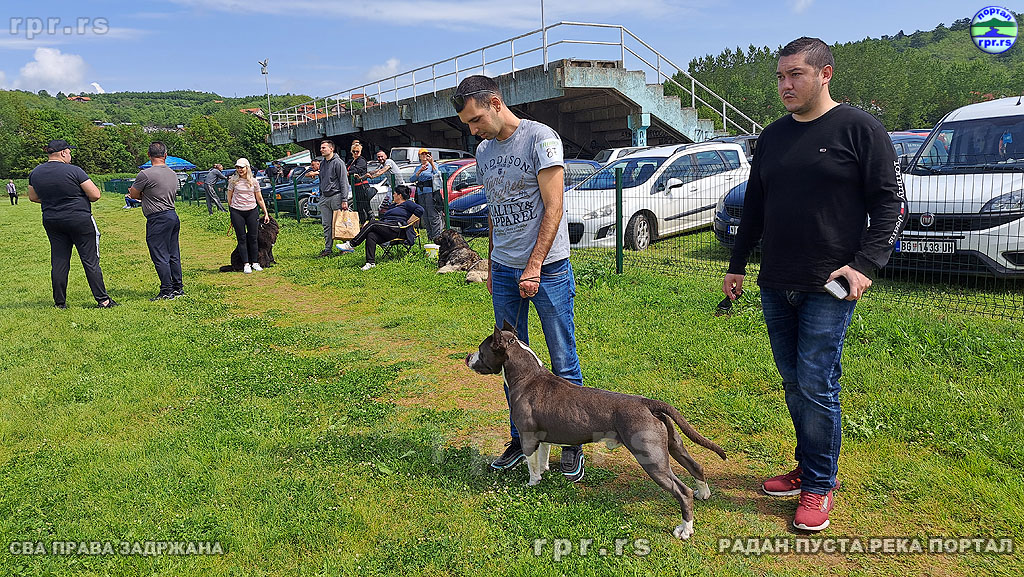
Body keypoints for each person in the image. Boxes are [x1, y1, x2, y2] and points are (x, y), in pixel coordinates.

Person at [723, 37, 906, 532]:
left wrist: (865, 265)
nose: (785, 85)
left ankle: (820, 484)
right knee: (793, 381)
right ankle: (808, 467)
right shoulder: (773, 136)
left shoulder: (860, 128)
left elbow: (891, 204)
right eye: (780, 76)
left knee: (817, 382)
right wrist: (738, 263)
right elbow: (756, 205)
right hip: (775, 280)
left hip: (830, 283)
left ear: (825, 74)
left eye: (796, 75)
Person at [453, 74, 586, 482]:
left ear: (495, 103)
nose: (473, 130)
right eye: (468, 124)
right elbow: (496, 210)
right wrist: (493, 263)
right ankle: (521, 438)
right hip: (505, 268)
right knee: (509, 359)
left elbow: (554, 207)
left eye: (476, 119)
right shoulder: (484, 152)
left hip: (548, 269)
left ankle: (572, 443)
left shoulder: (540, 139)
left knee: (562, 358)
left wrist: (534, 266)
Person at [27, 139, 117, 308]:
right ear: (62, 153)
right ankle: (103, 300)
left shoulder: (35, 173)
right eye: (69, 152)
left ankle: (59, 302)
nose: (70, 155)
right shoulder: (74, 171)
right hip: (79, 219)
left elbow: (33, 197)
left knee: (59, 261)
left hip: (52, 220)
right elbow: (95, 194)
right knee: (90, 260)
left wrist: (54, 201)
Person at [129, 141, 185, 300]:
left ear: (149, 155)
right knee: (173, 254)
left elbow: (133, 195)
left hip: (157, 218)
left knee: (160, 255)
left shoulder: (145, 174)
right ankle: (178, 287)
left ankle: (166, 290)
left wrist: (144, 195)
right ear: (165, 155)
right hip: (172, 215)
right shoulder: (172, 173)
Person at [336, 184, 424, 270]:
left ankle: (351, 244)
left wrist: (410, 221)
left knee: (372, 223)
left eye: (394, 193)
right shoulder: (393, 206)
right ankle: (370, 263)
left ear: (399, 195)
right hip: (388, 229)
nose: (393, 195)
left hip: (398, 229)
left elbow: (420, 210)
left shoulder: (407, 203)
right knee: (371, 235)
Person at [227, 158, 271, 274]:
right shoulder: (233, 181)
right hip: (237, 212)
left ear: (247, 168)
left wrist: (265, 213)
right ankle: (246, 264)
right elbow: (229, 198)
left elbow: (259, 198)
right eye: (238, 167)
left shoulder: (254, 181)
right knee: (241, 238)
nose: (240, 170)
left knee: (253, 237)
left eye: (242, 167)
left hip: (252, 211)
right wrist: (232, 211)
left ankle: (255, 262)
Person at [316, 139, 350, 258]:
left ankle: (345, 246)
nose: (321, 150)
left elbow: (344, 181)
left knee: (340, 223)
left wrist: (344, 199)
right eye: (321, 148)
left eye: (324, 148)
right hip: (324, 197)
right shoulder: (323, 163)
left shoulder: (338, 163)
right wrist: (321, 194)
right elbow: (322, 180)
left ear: (331, 149)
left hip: (336, 196)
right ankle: (328, 249)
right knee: (327, 224)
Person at [412, 148, 443, 241]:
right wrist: (420, 171)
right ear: (419, 156)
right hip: (421, 193)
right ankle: (430, 237)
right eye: (423, 154)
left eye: (427, 154)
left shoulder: (433, 165)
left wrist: (432, 163)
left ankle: (437, 237)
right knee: (425, 216)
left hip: (431, 193)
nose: (425, 156)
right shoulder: (418, 167)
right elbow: (412, 179)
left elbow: (437, 174)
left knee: (433, 215)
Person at [348, 140, 372, 226]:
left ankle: (371, 222)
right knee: (359, 207)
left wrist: (348, 172)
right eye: (354, 151)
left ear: (360, 151)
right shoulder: (351, 161)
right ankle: (363, 223)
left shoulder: (361, 160)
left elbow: (357, 169)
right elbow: (345, 168)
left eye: (357, 151)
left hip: (362, 186)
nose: (355, 153)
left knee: (365, 206)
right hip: (355, 187)